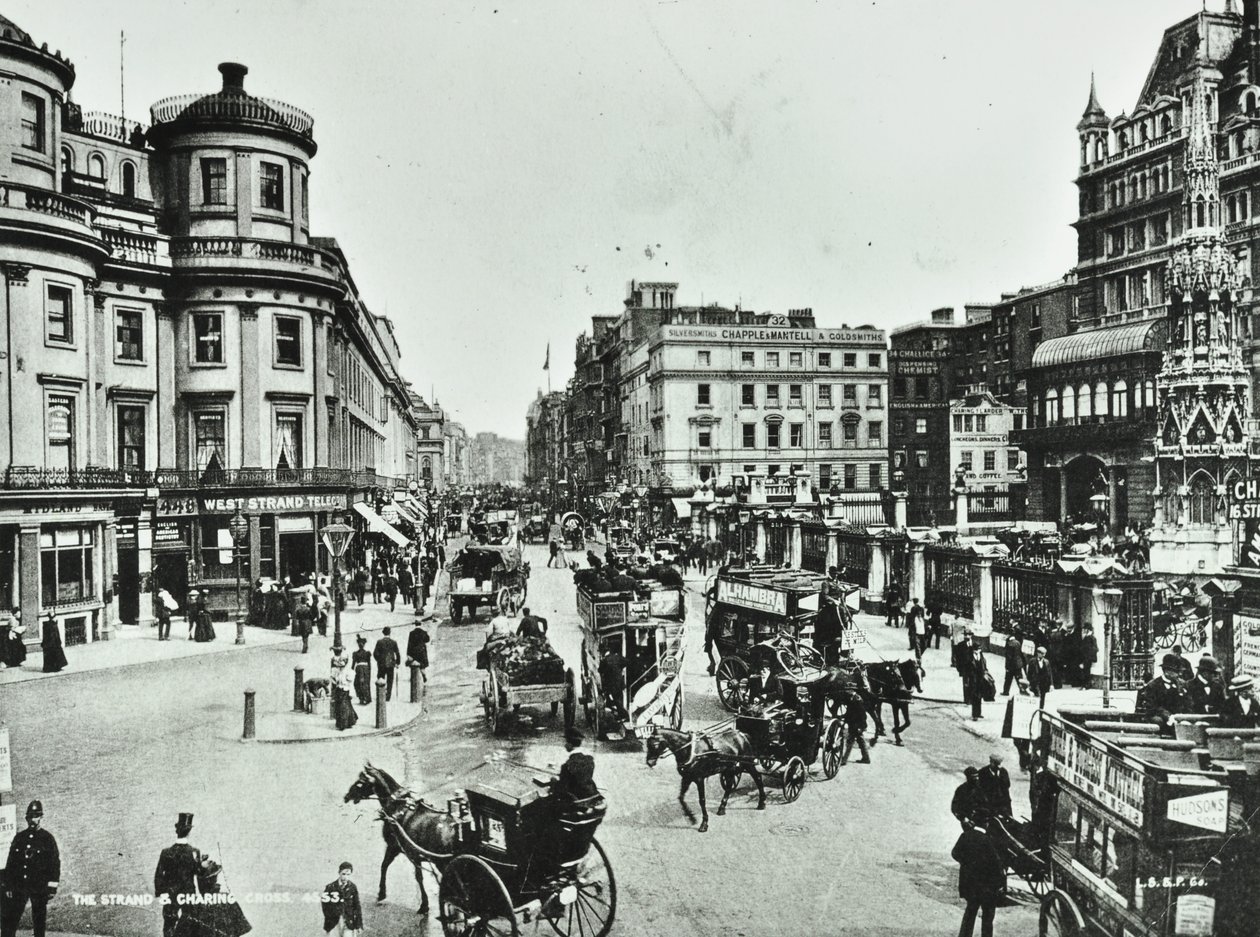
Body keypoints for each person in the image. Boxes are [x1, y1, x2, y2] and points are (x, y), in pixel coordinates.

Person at [2, 800, 59, 937]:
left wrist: (51, 887)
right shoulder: (19, 838)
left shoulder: (47, 839)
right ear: (27, 818)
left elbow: (54, 864)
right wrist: (8, 885)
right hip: (19, 885)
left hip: (39, 886)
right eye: (31, 817)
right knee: (11, 920)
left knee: (39, 922)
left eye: (36, 816)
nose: (33, 820)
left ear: (41, 817)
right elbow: (11, 863)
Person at [951, 809, 1005, 937]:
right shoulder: (989, 840)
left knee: (970, 912)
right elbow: (996, 865)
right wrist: (1000, 884)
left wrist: (967, 863)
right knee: (987, 918)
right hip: (987, 888)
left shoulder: (965, 836)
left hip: (970, 885)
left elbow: (955, 853)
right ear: (986, 824)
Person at [178, 854, 251, 937]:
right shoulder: (227, 899)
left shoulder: (193, 905)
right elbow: (241, 928)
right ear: (214, 879)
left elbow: (180, 933)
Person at [154, 812, 201, 937]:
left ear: (177, 830)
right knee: (190, 924)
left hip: (170, 892)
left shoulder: (166, 852)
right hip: (188, 893)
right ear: (189, 831)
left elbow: (159, 874)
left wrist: (161, 892)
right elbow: (199, 873)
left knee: (169, 924)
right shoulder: (194, 852)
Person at [1136, 654, 1192, 729]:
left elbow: (1188, 703)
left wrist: (1186, 717)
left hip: (1179, 717)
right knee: (1159, 721)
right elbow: (1153, 707)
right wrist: (1167, 716)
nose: (1180, 674)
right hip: (1160, 717)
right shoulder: (1153, 686)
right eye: (1176, 671)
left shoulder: (1182, 684)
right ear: (1166, 671)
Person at [320, 861, 364, 937]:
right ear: (339, 872)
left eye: (348, 874)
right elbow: (325, 905)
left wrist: (359, 925)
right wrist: (330, 917)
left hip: (348, 922)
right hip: (334, 923)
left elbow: (357, 906)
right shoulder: (330, 887)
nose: (345, 877)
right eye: (343, 874)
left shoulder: (352, 888)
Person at [1001, 678, 1034, 771]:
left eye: (1022, 686)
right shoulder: (1015, 696)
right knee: (1017, 742)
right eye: (1020, 686)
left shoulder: (1031, 696)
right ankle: (1026, 757)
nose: (1021, 688)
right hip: (1017, 724)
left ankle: (1023, 765)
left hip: (1026, 723)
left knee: (1025, 743)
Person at [961, 636, 990, 721]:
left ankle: (979, 712)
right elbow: (966, 669)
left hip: (980, 679)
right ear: (973, 650)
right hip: (973, 679)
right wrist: (967, 679)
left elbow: (984, 665)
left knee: (980, 696)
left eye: (979, 649)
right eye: (977, 650)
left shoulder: (981, 655)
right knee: (974, 697)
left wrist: (986, 672)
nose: (978, 651)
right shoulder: (969, 657)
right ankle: (974, 715)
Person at [839, 689, 871, 765]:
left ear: (852, 690)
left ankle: (844, 760)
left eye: (848, 690)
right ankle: (866, 758)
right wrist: (842, 716)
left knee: (850, 742)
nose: (847, 692)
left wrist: (861, 727)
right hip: (853, 725)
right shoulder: (851, 698)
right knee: (860, 742)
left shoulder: (857, 699)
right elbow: (849, 713)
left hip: (857, 725)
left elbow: (863, 715)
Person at [598, 644, 629, 723]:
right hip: (620, 683)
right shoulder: (617, 657)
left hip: (611, 684)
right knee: (619, 699)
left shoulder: (604, 661)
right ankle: (621, 715)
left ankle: (624, 716)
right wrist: (620, 668)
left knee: (616, 700)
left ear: (602, 652)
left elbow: (600, 670)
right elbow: (626, 662)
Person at [976, 753, 1012, 818]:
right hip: (989, 804)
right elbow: (979, 789)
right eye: (996, 764)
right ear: (991, 762)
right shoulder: (983, 772)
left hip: (1003, 803)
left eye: (999, 764)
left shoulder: (1003, 772)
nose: (998, 766)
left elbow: (1007, 785)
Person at [332, 649, 358, 731]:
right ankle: (349, 721)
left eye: (341, 666)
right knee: (341, 706)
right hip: (339, 690)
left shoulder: (349, 671)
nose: (340, 667)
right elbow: (335, 680)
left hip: (345, 690)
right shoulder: (338, 672)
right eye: (339, 666)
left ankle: (343, 724)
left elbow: (350, 682)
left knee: (344, 707)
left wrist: (350, 690)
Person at [373, 627, 401, 702]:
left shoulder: (379, 642)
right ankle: (388, 697)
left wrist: (379, 660)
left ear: (383, 633)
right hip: (390, 664)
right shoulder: (393, 642)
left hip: (381, 665)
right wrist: (397, 663)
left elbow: (375, 653)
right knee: (390, 680)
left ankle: (380, 694)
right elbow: (397, 653)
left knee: (380, 678)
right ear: (390, 633)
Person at [1025, 645, 1055, 710]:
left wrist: (1051, 684)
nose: (1044, 655)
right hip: (1035, 682)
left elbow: (1050, 674)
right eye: (1042, 654)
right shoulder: (1032, 661)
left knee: (1042, 699)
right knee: (1037, 697)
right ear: (1038, 653)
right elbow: (1029, 673)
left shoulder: (1046, 662)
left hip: (1044, 683)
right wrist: (1029, 682)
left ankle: (1041, 712)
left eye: (1044, 654)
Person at [406, 620, 431, 686]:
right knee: (422, 666)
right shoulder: (424, 632)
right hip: (422, 651)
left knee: (413, 665)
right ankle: (424, 675)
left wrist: (408, 654)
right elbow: (427, 640)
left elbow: (409, 644)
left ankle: (413, 677)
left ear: (415, 625)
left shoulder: (411, 633)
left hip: (414, 652)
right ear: (421, 624)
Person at [351, 635, 373, 706]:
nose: (360, 645)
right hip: (363, 669)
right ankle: (363, 698)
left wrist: (352, 670)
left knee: (360, 684)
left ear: (363, 645)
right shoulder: (358, 653)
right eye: (360, 644)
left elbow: (353, 664)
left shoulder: (366, 653)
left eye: (362, 643)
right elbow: (353, 663)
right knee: (361, 684)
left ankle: (364, 698)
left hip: (361, 669)